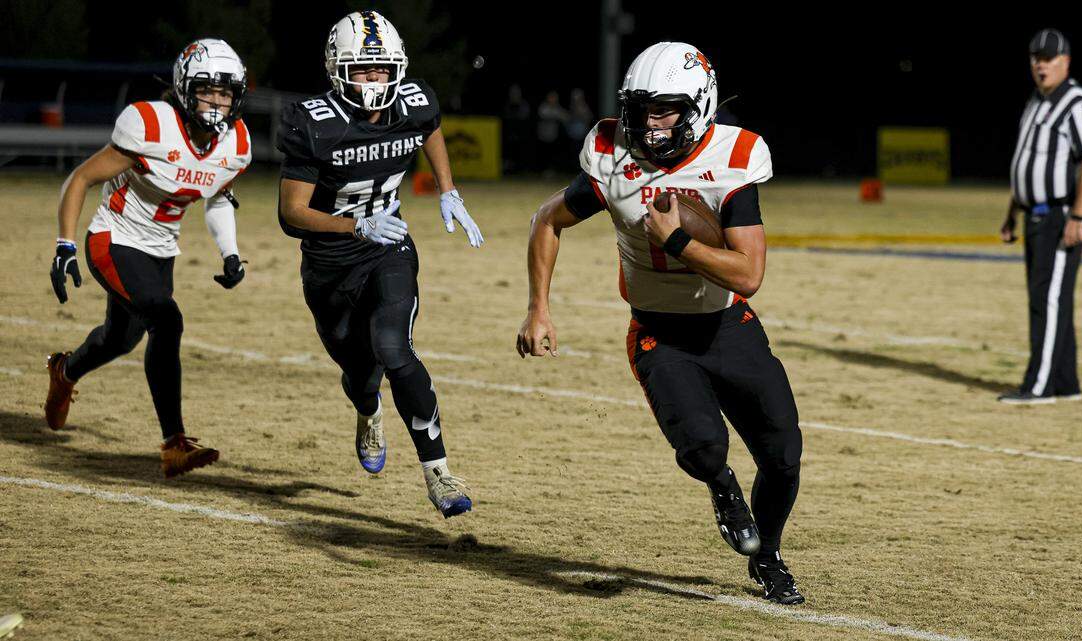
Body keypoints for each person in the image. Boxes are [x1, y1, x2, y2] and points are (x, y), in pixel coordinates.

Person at [516, 42, 804, 604]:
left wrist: (674, 239)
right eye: (641, 107)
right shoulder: (611, 155)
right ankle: (722, 489)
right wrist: (538, 308)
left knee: (784, 455)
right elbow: (547, 220)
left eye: (665, 108)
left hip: (727, 323)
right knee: (703, 446)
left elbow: (748, 275)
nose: (650, 122)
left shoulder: (733, 158)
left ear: (700, 104)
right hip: (658, 332)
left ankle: (767, 553)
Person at [276, 10, 480, 518]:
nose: (375, 80)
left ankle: (439, 472)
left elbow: (427, 127)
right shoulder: (315, 123)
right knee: (360, 373)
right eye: (364, 70)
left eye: (384, 69)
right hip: (328, 262)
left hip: (388, 247)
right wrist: (353, 226)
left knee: (394, 347)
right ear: (337, 69)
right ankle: (368, 409)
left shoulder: (413, 101)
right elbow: (291, 213)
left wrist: (447, 188)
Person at [45, 39, 252, 478]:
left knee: (121, 339)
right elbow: (81, 177)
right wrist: (64, 244)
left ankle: (65, 371)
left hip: (162, 249)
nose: (216, 102)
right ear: (183, 87)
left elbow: (217, 198)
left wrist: (230, 252)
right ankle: (175, 442)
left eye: (225, 92)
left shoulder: (236, 143)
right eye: (207, 90)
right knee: (167, 320)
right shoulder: (150, 124)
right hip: (114, 238)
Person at [999, 29, 1082, 405]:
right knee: (1051, 297)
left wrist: (1078, 215)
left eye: (1049, 58)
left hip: (1061, 216)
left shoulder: (1077, 103)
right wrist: (1012, 213)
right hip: (1034, 215)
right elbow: (1027, 162)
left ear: (1066, 62)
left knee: (1048, 300)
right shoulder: (1036, 101)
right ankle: (1065, 381)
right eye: (1036, 58)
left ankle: (1039, 386)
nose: (1042, 65)